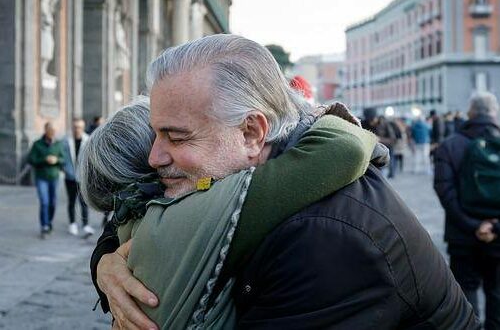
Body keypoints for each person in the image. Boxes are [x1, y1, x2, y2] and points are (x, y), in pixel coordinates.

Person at [93, 35, 478, 329]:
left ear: (250, 133)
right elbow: (142, 207)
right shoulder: (233, 181)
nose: (154, 157)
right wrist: (107, 263)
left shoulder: (323, 237)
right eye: (156, 134)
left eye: (176, 137)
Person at [80, 96, 378, 328]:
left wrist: (103, 262)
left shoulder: (141, 221)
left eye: (175, 136)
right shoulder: (212, 208)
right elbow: (344, 147)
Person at [434, 92, 500, 329]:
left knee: (466, 293)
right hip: (498, 236)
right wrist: (493, 226)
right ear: (494, 113)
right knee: (496, 292)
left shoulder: (450, 145)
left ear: (470, 113)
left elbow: (445, 191)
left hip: (462, 236)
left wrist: (473, 226)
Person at [27, 122, 65, 238]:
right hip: (41, 177)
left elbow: (64, 159)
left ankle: (49, 222)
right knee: (44, 202)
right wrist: (44, 159)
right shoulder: (37, 144)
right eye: (51, 130)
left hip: (54, 177)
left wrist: (57, 160)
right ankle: (44, 225)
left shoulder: (58, 144)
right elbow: (31, 159)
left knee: (52, 203)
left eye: (54, 130)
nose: (53, 132)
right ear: (46, 130)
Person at [62, 118, 94, 237]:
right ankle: (72, 224)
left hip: (82, 176)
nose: (77, 129)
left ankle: (86, 225)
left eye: (79, 127)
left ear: (83, 127)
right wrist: (64, 168)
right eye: (75, 127)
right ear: (72, 127)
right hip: (70, 176)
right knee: (71, 201)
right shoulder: (66, 140)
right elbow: (62, 156)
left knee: (84, 202)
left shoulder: (88, 140)